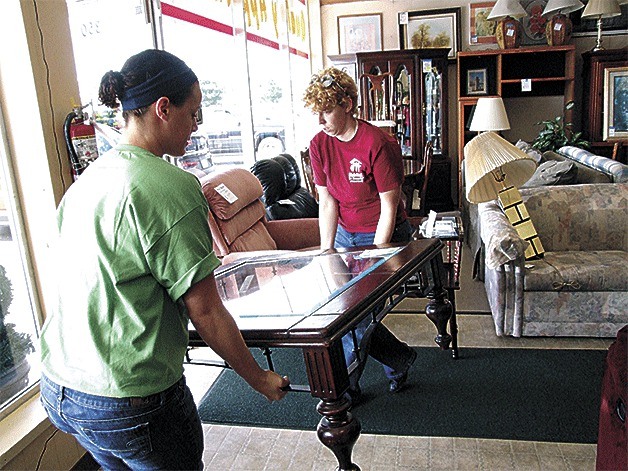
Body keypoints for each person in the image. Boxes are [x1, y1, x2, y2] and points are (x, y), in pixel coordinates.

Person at [39, 49, 289, 470]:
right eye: (193, 114)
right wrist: (259, 378)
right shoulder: (171, 186)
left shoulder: (88, 182)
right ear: (162, 108)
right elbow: (207, 312)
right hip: (130, 401)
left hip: (62, 390)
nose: (196, 126)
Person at [303, 67, 417, 399]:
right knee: (345, 310)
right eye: (316, 111)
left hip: (382, 233)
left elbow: (389, 205)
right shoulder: (319, 144)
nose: (320, 119)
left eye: (327, 110)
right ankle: (399, 358)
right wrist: (327, 252)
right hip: (344, 234)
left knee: (358, 310)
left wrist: (378, 255)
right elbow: (327, 201)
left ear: (348, 104)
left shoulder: (377, 142)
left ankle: (343, 387)